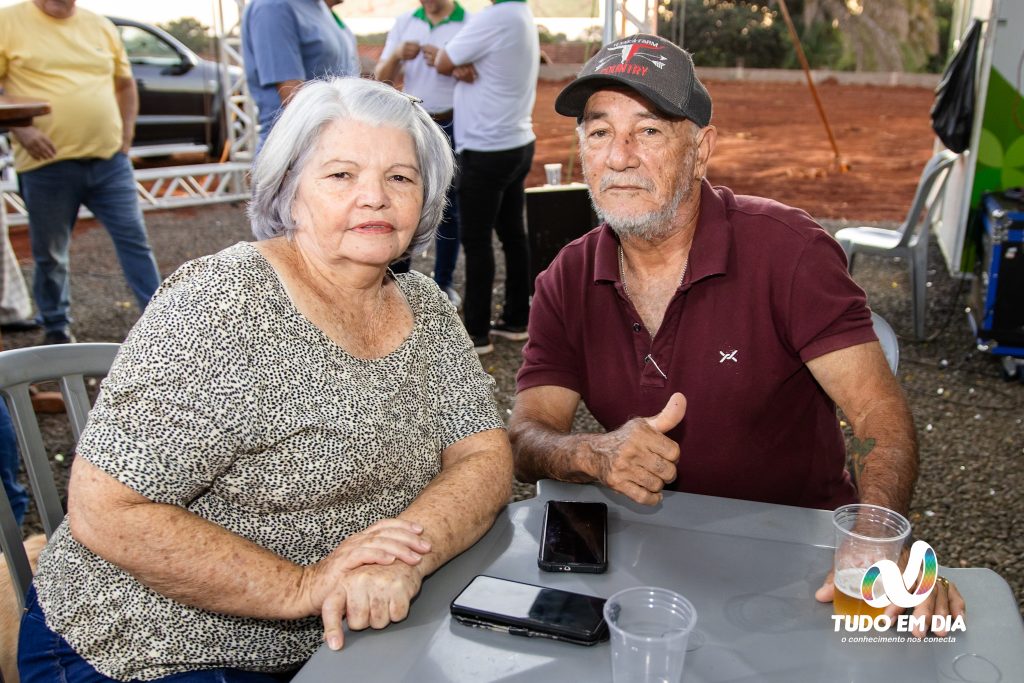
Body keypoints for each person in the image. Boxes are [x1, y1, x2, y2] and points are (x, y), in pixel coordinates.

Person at [18, 78, 513, 681]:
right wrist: (302, 587)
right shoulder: (220, 306)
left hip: (351, 635)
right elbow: (108, 509)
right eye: (341, 175)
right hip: (152, 642)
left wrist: (409, 554)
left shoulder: (425, 307)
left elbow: (483, 455)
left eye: (400, 178)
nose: (375, 198)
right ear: (290, 192)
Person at [508, 34, 963, 634]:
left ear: (701, 151)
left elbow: (880, 418)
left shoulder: (789, 252)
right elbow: (527, 434)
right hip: (641, 556)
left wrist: (873, 535)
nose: (618, 156)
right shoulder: (565, 277)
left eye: (648, 131)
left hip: (794, 558)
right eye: (599, 132)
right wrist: (591, 452)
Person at [0, 0, 162, 345]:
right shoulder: (8, 21)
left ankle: (159, 321)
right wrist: (22, 129)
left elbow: (125, 84)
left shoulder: (99, 25)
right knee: (50, 252)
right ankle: (57, 328)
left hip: (109, 161)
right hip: (47, 164)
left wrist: (127, 132)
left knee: (134, 240)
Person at [432, 0, 539, 354]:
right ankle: (516, 319)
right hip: (517, 141)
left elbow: (445, 61)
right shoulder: (521, 13)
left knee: (477, 242)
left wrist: (448, 58)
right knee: (513, 235)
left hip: (486, 148)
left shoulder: (495, 16)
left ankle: (476, 332)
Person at [374, 0, 469, 305]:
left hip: (454, 122)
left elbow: (474, 76)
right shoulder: (404, 22)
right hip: (412, 123)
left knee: (450, 208)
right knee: (400, 197)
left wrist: (449, 63)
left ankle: (443, 283)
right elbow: (380, 76)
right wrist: (399, 55)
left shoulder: (468, 22)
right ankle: (396, 281)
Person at [242, 0, 360, 147]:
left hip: (335, 144)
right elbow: (291, 96)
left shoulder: (321, 8)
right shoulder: (273, 6)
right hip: (296, 154)